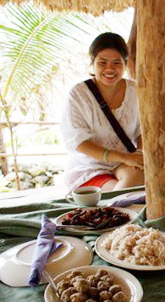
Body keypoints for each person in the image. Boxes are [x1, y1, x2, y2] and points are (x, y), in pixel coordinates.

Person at [61, 32, 144, 191]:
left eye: (117, 63)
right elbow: (78, 142)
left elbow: (143, 130)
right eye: (102, 62)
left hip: (125, 162)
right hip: (90, 166)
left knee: (135, 182)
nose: (109, 69)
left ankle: (120, 209)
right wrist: (123, 157)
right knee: (121, 193)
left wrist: (139, 154)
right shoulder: (78, 94)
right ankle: (118, 210)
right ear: (92, 63)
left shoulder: (135, 91)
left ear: (125, 64)